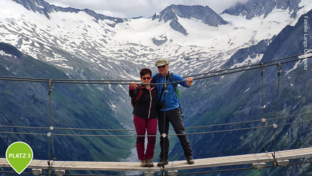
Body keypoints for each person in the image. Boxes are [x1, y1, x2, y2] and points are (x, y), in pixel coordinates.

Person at [151, 58, 194, 167]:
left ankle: (189, 156)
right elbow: (145, 83)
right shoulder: (155, 78)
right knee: (163, 135)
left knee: (180, 132)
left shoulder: (174, 77)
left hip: (174, 110)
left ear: (168, 66)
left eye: (163, 66)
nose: (161, 68)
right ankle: (164, 159)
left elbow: (186, 84)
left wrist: (189, 81)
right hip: (161, 111)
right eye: (159, 67)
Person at [129, 68, 158, 167]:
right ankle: (142, 159)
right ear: (141, 78)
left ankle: (149, 158)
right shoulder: (139, 88)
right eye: (144, 78)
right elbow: (132, 94)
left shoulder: (155, 88)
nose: (146, 79)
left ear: (151, 78)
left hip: (152, 117)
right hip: (139, 117)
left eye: (148, 77)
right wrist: (132, 87)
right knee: (140, 138)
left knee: (152, 138)